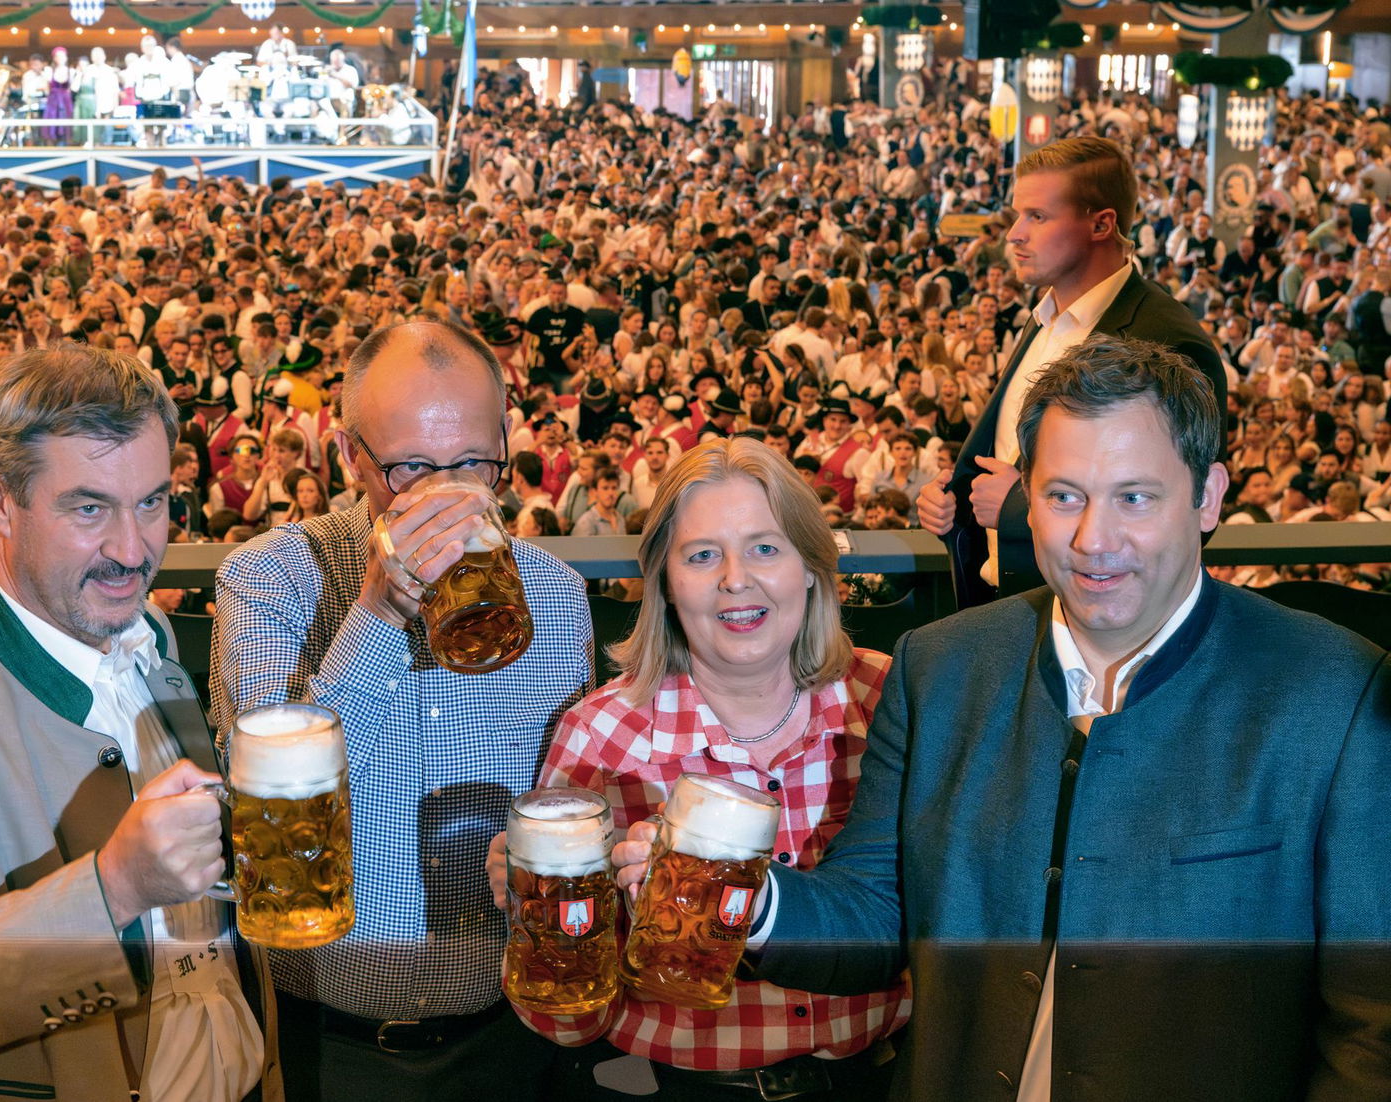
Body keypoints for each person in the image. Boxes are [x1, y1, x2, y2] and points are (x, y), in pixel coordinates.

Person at [614, 335, 1390, 1101]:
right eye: (1063, 497)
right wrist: (743, 896)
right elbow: (877, 914)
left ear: (1209, 496)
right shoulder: (941, 666)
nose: (1094, 540)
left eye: (1135, 497)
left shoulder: (1334, 692)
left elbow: (1373, 1025)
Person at [0, 345, 282, 1101]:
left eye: (154, 502)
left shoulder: (145, 637)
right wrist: (112, 890)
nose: (134, 551)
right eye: (89, 507)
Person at [212, 318, 594, 1102]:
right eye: (410, 468)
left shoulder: (555, 595)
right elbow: (264, 803)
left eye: (472, 466)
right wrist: (379, 614)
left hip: (512, 1037)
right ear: (350, 455)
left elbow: (577, 802)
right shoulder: (267, 579)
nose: (443, 498)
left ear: (506, 439)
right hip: (327, 1045)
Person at [487, 437, 907, 1100]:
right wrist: (542, 927)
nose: (736, 577)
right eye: (703, 554)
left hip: (880, 1080)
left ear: (811, 565)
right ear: (664, 582)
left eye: (766, 547)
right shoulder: (601, 733)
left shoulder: (891, 699)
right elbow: (565, 1023)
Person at [917, 136, 1227, 607]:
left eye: (1037, 217)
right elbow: (1006, 464)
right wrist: (952, 500)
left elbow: (1185, 512)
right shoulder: (1044, 319)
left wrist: (1020, 510)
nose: (1014, 234)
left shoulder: (1165, 339)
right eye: (1019, 214)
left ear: (1101, 223)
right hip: (1008, 605)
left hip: (1093, 618)